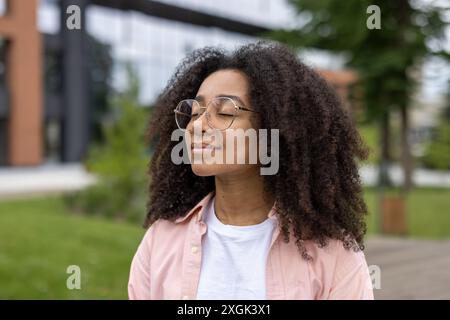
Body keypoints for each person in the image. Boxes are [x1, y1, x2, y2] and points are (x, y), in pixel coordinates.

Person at [128, 41, 374, 300]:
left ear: (275, 127)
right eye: (194, 112)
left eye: (224, 112)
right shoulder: (160, 241)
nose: (197, 125)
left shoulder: (333, 256)